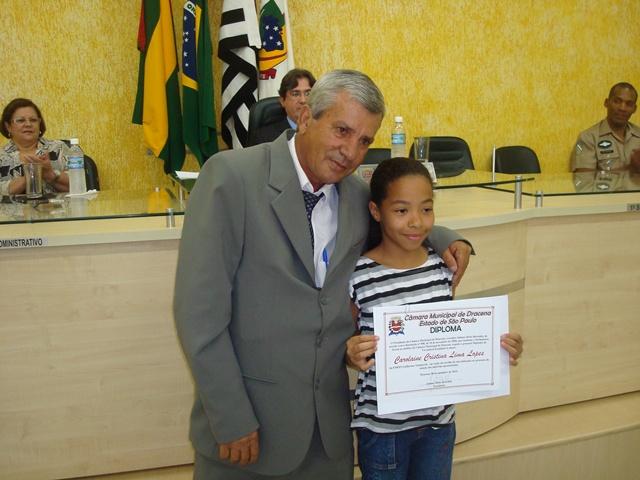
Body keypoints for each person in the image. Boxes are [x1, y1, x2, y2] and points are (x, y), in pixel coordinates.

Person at [173, 69, 473, 480]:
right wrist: (229, 415)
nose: (350, 151)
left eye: (364, 140)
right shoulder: (231, 177)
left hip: (328, 438)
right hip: (249, 429)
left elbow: (398, 220)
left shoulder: (355, 196)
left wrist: (448, 238)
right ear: (305, 116)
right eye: (342, 130)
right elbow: (198, 314)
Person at [346, 158, 523, 480]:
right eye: (401, 210)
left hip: (438, 424)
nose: (416, 221)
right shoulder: (358, 276)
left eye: (426, 209)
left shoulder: (444, 268)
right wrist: (351, 353)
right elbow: (346, 344)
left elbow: (449, 334)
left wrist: (497, 348)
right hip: (384, 430)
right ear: (376, 211)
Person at [0, 98, 69, 196]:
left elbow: (80, 186)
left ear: (39, 123)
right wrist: (31, 175)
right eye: (20, 120)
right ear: (8, 126)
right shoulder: (1, 157)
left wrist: (51, 175)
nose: (28, 124)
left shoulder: (58, 148)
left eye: (33, 120)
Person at [571, 82, 640, 173]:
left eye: (629, 104)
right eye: (617, 101)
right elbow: (583, 178)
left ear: (634, 109)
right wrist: (630, 168)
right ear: (606, 103)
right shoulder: (587, 138)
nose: (622, 108)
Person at [250, 68, 316, 146]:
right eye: (295, 94)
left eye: (308, 93)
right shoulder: (264, 138)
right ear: (282, 101)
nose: (303, 100)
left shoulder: (323, 131)